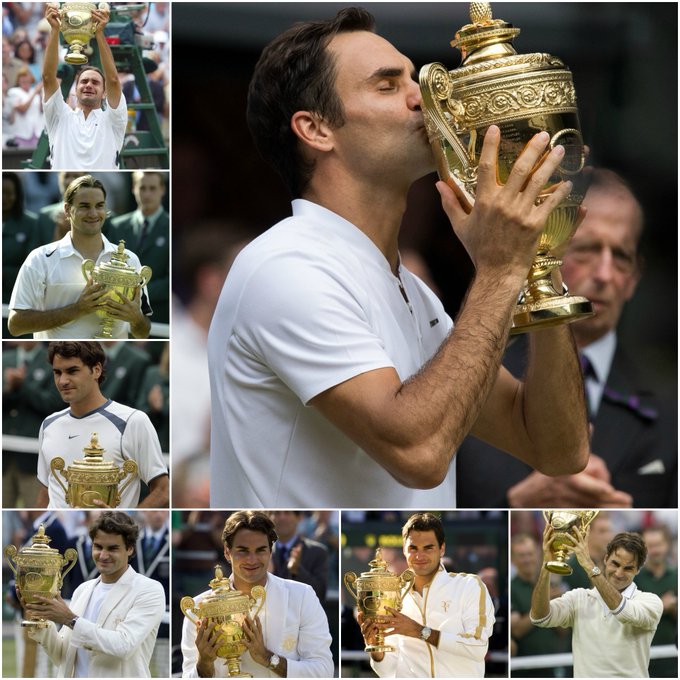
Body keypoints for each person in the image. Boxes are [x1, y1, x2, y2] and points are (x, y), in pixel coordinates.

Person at [208, 6, 589, 508]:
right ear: (316, 129)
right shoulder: (285, 268)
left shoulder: (412, 291)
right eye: (388, 86)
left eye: (415, 78)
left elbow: (558, 449)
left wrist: (539, 263)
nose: (426, 99)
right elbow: (420, 454)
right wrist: (500, 271)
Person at [456, 168, 677, 508]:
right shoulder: (474, 382)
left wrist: (624, 523)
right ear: (542, 252)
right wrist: (515, 510)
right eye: (586, 250)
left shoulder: (670, 405)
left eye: (620, 257)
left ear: (634, 278)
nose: (604, 275)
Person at [181, 510, 334, 677]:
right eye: (243, 551)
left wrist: (267, 658)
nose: (252, 560)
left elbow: (323, 671)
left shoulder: (302, 596)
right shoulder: (199, 608)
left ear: (270, 551)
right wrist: (203, 664)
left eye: (260, 550)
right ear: (227, 552)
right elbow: (188, 674)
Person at [22, 511, 166, 677]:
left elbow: (124, 646)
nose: (103, 555)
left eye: (112, 548)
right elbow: (62, 656)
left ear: (130, 549)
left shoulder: (149, 590)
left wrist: (70, 619)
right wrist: (40, 617)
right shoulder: (83, 590)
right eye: (98, 547)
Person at [7, 174, 152, 339]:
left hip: (106, 362)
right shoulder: (39, 259)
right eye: (84, 206)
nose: (93, 213)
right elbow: (15, 325)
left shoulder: (130, 260)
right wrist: (78, 309)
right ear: (67, 210)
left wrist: (136, 319)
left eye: (99, 206)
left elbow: (143, 332)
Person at [358, 512, 495, 678]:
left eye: (428, 548)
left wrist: (420, 631)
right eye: (413, 548)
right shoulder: (392, 595)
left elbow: (478, 647)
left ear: (442, 548)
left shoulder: (470, 585)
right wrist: (375, 649)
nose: (419, 556)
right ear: (404, 550)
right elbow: (388, 670)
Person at [35, 341, 169, 508]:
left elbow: (163, 490)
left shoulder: (133, 421)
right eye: (57, 372)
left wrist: (124, 522)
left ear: (96, 370)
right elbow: (46, 491)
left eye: (72, 371)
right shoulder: (49, 424)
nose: (63, 381)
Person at [530, 526, 663, 678]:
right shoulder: (579, 597)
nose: (619, 573)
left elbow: (622, 611)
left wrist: (589, 565)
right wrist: (546, 566)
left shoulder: (651, 601)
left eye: (628, 568)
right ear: (606, 559)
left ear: (638, 570)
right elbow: (539, 617)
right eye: (615, 564)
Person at [41, 3, 126, 169]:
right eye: (84, 81)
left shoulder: (113, 119)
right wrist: (54, 29)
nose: (88, 85)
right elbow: (47, 77)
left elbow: (114, 81)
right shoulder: (60, 116)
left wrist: (99, 33)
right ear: (75, 90)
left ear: (104, 93)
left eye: (95, 82)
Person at [109, 172, 170, 324]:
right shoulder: (117, 226)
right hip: (119, 317)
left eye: (152, 188)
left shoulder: (171, 227)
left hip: (158, 318)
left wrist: (135, 291)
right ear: (133, 189)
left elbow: (170, 281)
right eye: (142, 188)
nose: (147, 194)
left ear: (162, 190)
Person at [510, 533, 564, 677]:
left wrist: (558, 604)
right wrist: (543, 603)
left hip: (554, 664)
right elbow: (516, 631)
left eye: (530, 554)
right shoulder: (511, 589)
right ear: (513, 559)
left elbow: (563, 631)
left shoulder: (552, 585)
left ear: (538, 555)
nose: (527, 559)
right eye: (521, 555)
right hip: (524, 668)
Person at [636, 525, 678, 677]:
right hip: (642, 660)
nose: (655, 550)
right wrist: (661, 605)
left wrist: (674, 609)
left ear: (667, 544)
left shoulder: (676, 575)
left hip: (674, 658)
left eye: (659, 544)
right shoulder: (633, 577)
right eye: (650, 546)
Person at [269, 510, 329, 605]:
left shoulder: (317, 552)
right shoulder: (261, 552)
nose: (281, 517)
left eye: (287, 513)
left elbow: (320, 594)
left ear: (299, 517)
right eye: (276, 513)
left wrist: (297, 570)